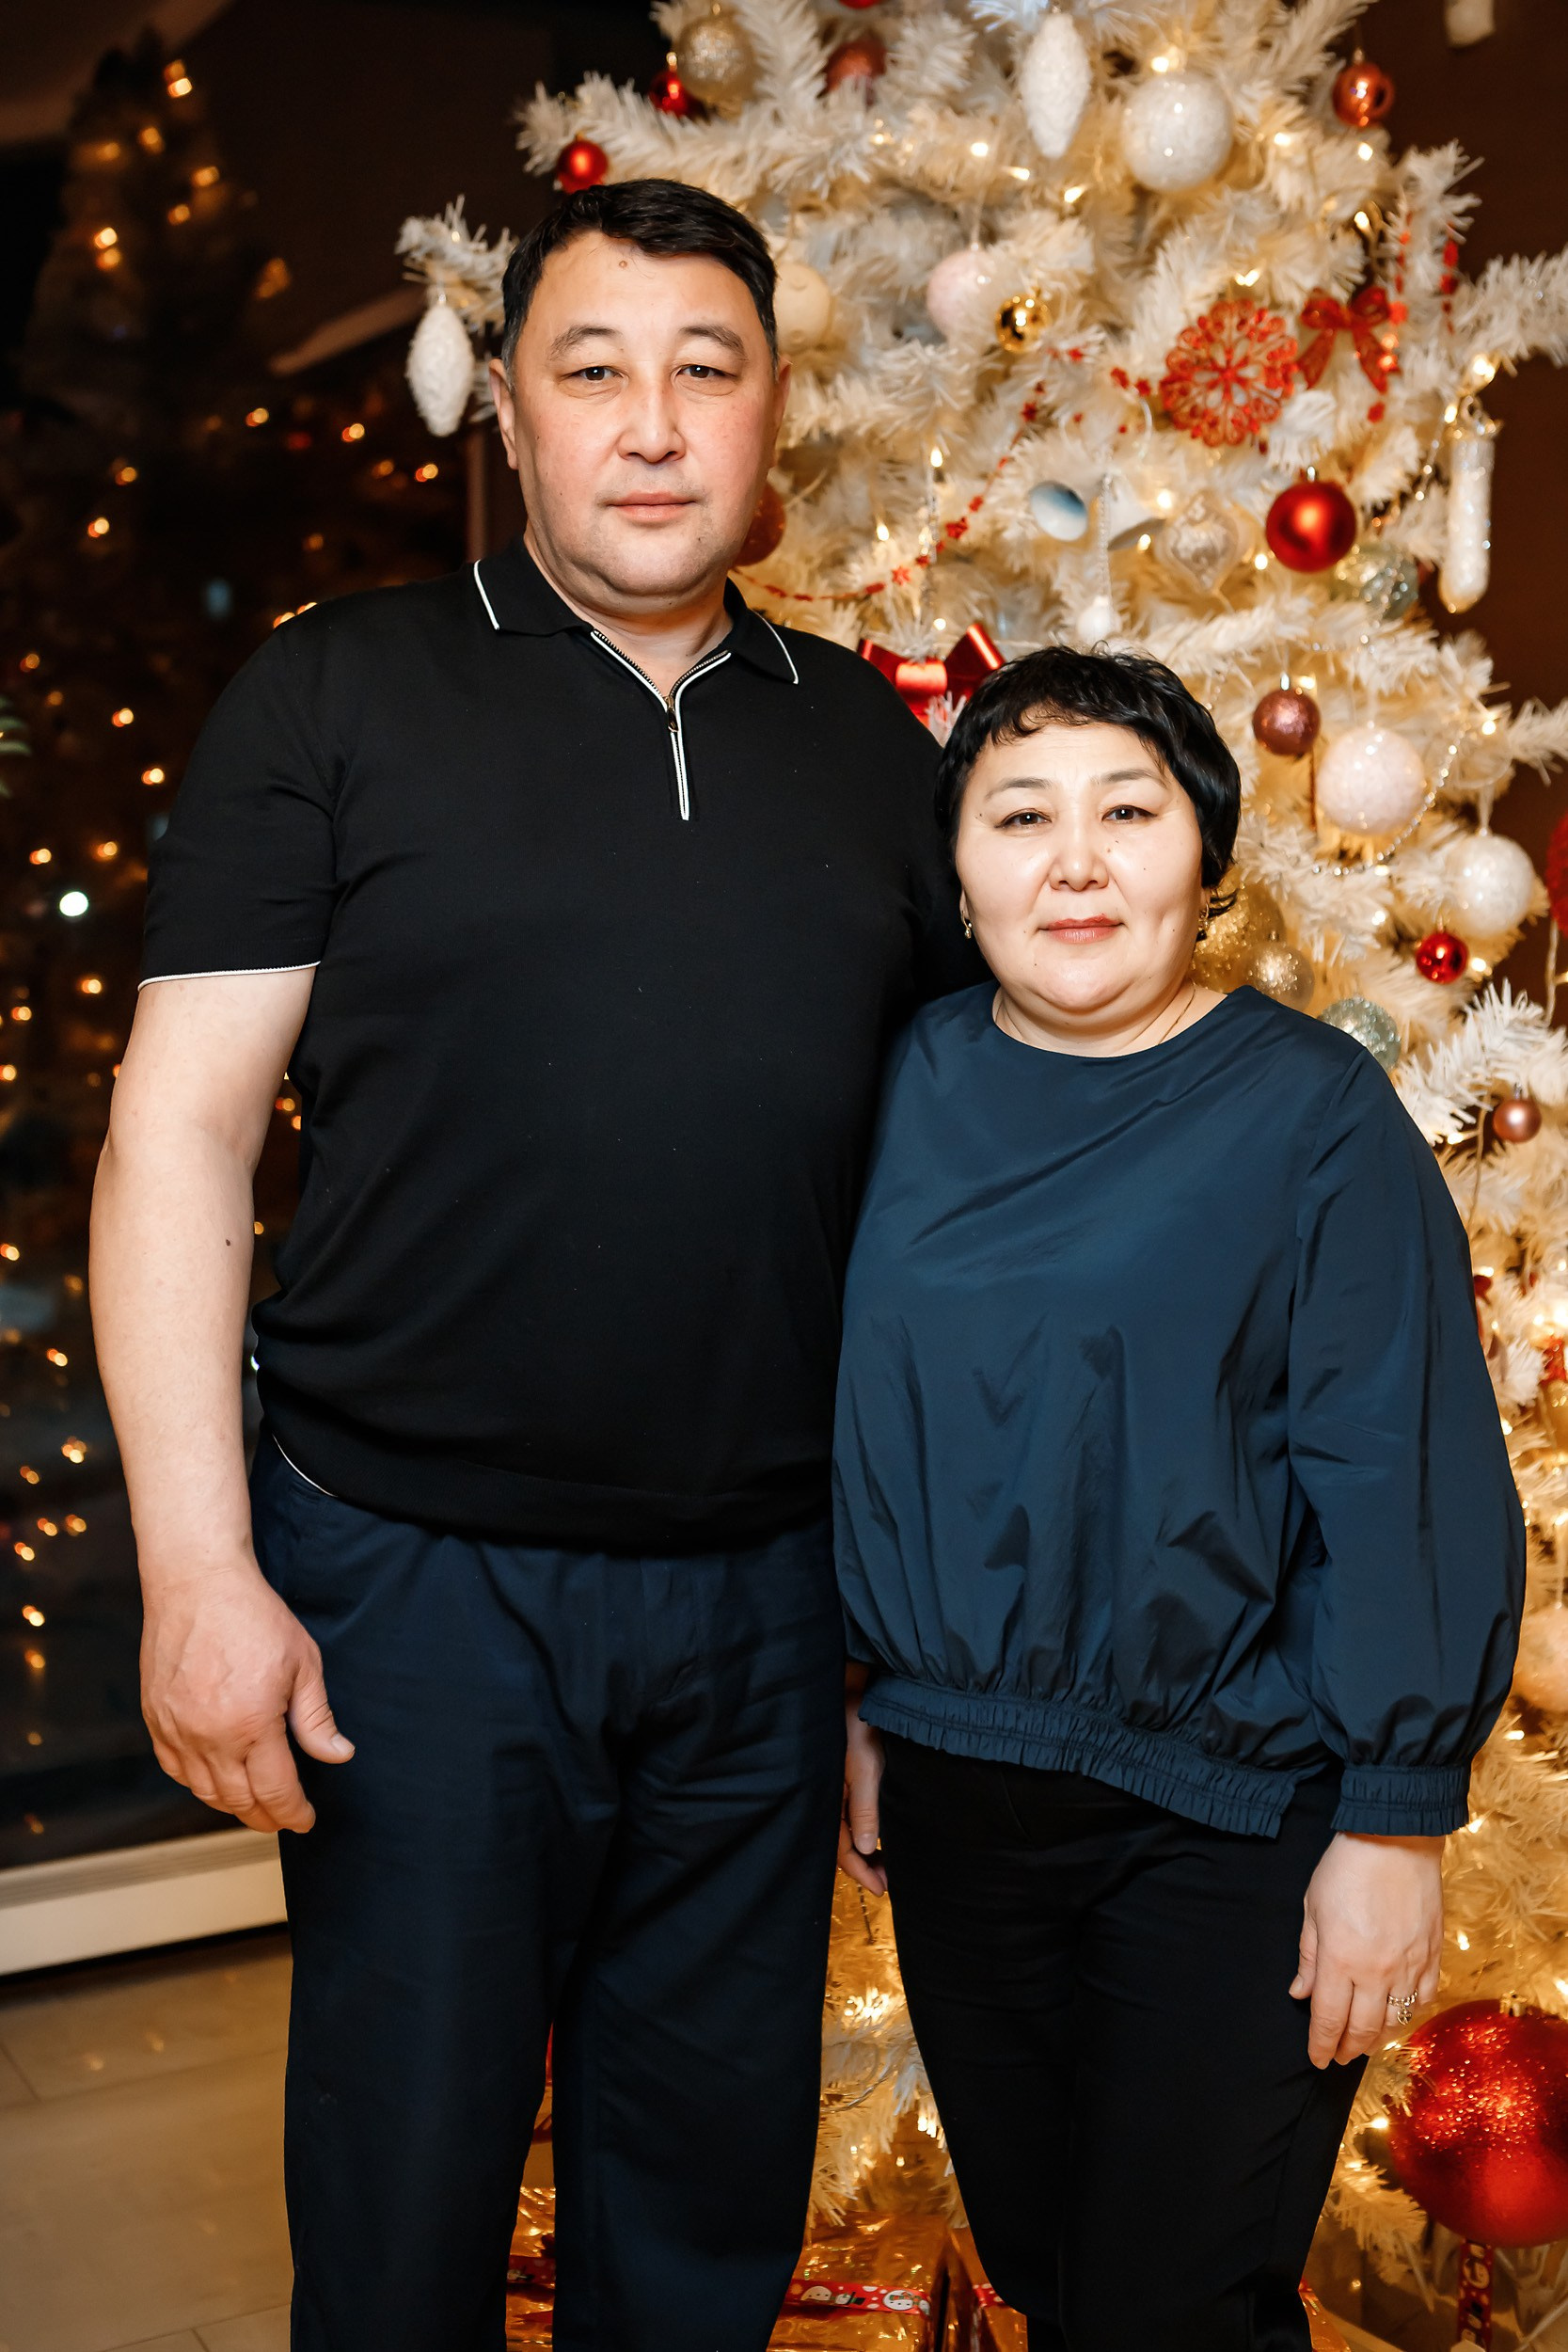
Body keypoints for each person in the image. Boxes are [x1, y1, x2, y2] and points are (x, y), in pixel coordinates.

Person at [90, 179, 975, 2352]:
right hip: (410, 1594)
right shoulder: (335, 694)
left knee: (703, 2224)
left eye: (705, 369)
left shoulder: (874, 751)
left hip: (768, 1609)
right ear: (510, 410)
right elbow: (179, 1134)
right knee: (400, 2219)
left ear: (774, 410)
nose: (652, 424)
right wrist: (198, 1570)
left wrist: (903, 1652)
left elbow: (935, 1226)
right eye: (594, 370)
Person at [832, 646, 1523, 2352]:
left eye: (1127, 813)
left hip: (1229, 1819)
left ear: (1204, 859)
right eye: (1021, 817)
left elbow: (1400, 1468)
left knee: (1172, 2310)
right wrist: (869, 1694)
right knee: (1057, 2282)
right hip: (956, 1795)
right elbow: (856, 1415)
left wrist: (1393, 1824)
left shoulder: (1312, 1116)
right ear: (961, 871)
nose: (1075, 862)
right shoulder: (901, 1083)